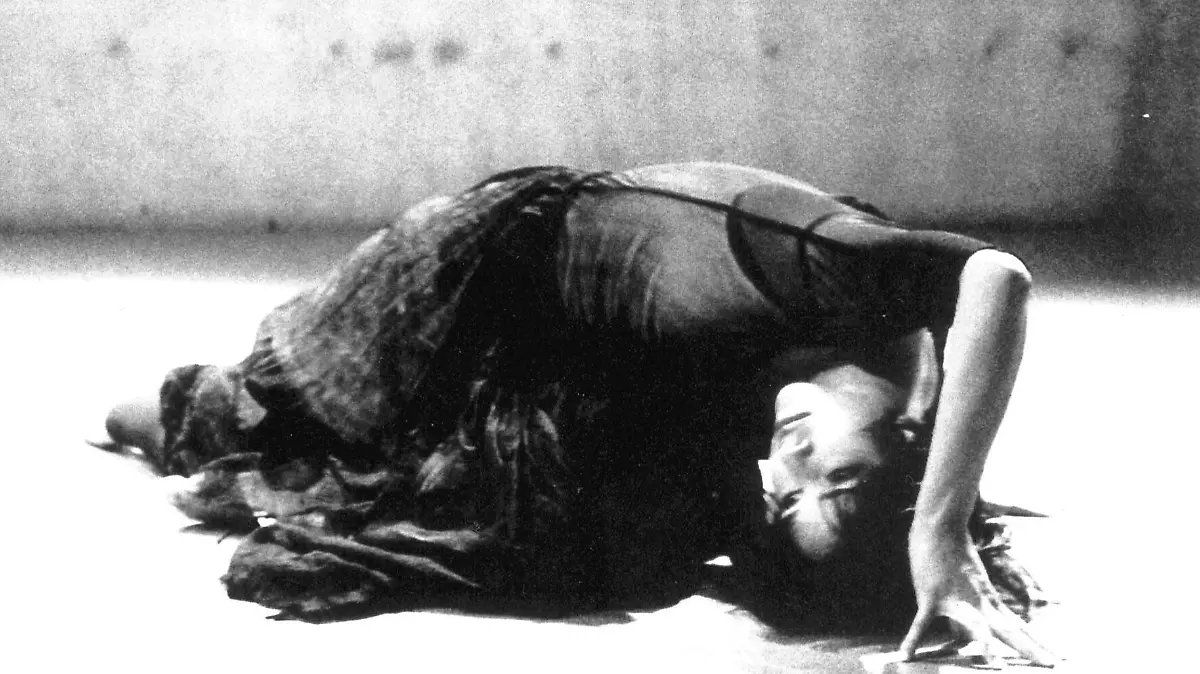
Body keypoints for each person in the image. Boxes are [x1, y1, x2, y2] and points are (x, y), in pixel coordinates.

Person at [101, 162, 1055, 665]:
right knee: (230, 414)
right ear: (910, 446)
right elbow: (996, 277)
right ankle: (168, 404)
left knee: (499, 520)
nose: (787, 469)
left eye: (785, 506)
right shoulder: (854, 288)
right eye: (833, 482)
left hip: (561, 366)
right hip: (483, 268)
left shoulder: (837, 419)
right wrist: (938, 533)